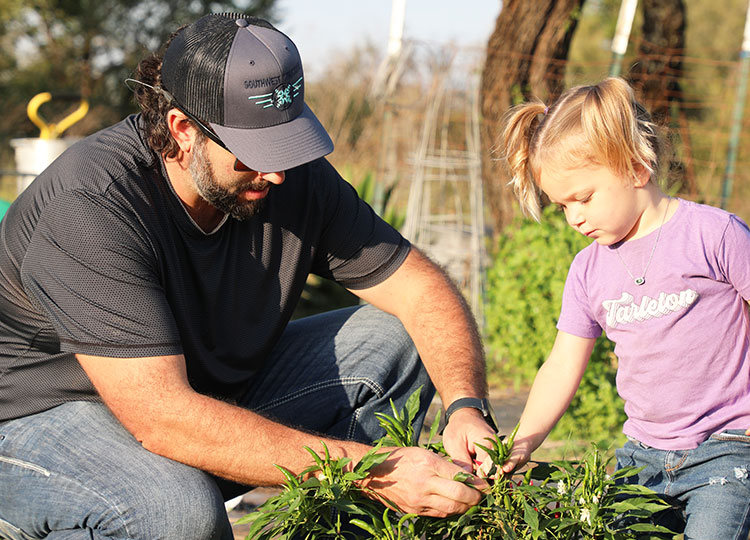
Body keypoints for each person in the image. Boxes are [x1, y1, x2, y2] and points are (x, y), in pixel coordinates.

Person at [0, 13, 496, 539]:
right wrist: (371, 471)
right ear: (183, 130)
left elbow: (421, 289)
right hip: (40, 420)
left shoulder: (288, 178)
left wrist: (467, 406)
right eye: (255, 153)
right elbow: (161, 415)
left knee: (395, 341)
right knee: (175, 514)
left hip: (193, 399)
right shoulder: (93, 205)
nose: (277, 173)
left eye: (287, 146)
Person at [492, 77, 750, 539]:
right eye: (562, 205)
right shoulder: (587, 270)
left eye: (584, 197)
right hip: (642, 453)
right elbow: (561, 363)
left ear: (636, 168)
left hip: (728, 445)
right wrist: (524, 441)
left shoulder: (711, 234)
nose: (574, 216)